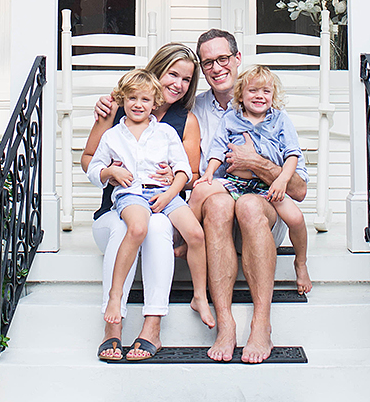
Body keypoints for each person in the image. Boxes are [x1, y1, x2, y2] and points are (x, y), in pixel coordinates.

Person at [98, 28, 308, 364]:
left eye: (223, 58)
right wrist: (113, 103)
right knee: (219, 202)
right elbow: (144, 107)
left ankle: (261, 324)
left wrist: (256, 162)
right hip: (213, 210)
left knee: (249, 206)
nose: (216, 67)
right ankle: (225, 324)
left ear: (237, 59)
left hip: (262, 205)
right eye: (208, 62)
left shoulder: (268, 107)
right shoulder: (190, 109)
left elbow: (298, 189)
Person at [80, 44, 206, 362]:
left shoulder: (182, 122)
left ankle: (152, 326)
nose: (178, 84)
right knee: (129, 227)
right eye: (172, 74)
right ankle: (113, 326)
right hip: (117, 208)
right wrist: (109, 172)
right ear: (156, 71)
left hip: (160, 201)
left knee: (159, 225)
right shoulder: (116, 109)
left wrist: (173, 179)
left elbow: (190, 174)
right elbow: (89, 159)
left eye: (187, 79)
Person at [194, 65, 312, 296]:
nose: (260, 96)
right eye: (253, 91)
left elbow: (292, 155)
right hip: (234, 182)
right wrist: (209, 173)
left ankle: (301, 262)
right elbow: (218, 148)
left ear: (273, 95)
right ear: (240, 95)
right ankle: (188, 238)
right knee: (200, 191)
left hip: (267, 187)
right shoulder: (230, 118)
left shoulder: (280, 120)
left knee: (296, 219)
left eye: (266, 91)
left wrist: (281, 181)